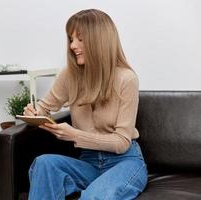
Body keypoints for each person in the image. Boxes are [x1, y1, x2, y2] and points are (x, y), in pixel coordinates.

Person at [23, 9, 148, 200]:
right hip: (88, 162)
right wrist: (34, 112)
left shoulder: (126, 79)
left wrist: (74, 135)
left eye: (80, 39)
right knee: (44, 164)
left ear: (100, 41)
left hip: (124, 162)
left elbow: (122, 142)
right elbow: (45, 106)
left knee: (94, 196)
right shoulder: (70, 75)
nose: (73, 45)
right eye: (71, 39)